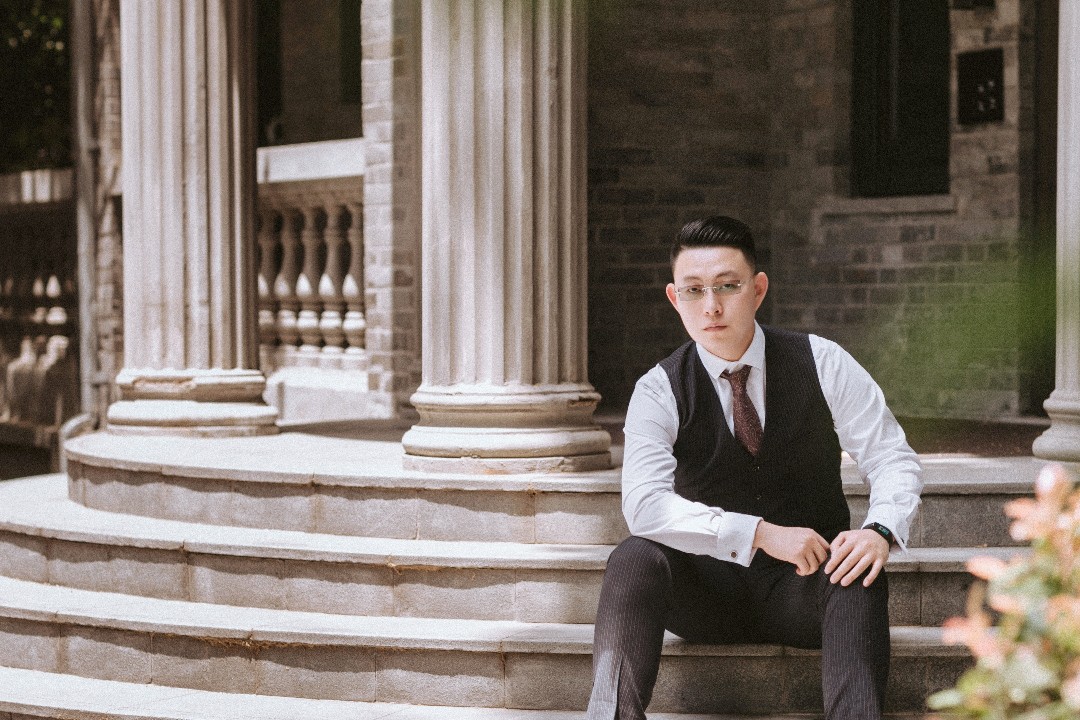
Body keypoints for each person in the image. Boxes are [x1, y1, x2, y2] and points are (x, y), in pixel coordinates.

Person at [585, 216, 922, 720]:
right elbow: (645, 505)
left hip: (805, 588)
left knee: (858, 572)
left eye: (728, 286)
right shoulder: (658, 389)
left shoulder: (822, 361)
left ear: (758, 289)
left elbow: (891, 456)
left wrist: (880, 530)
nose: (711, 306)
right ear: (675, 298)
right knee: (633, 558)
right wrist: (760, 533)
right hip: (706, 595)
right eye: (694, 290)